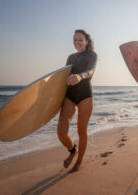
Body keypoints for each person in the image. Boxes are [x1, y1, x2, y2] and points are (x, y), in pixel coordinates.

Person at [57, 29, 97, 173]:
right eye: (75, 40)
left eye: (80, 39)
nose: (77, 42)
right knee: (61, 132)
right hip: (70, 95)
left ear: (86, 41)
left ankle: (78, 163)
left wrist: (79, 76)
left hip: (85, 95)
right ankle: (73, 151)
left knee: (82, 131)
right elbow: (64, 76)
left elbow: (90, 71)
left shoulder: (92, 55)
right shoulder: (71, 57)